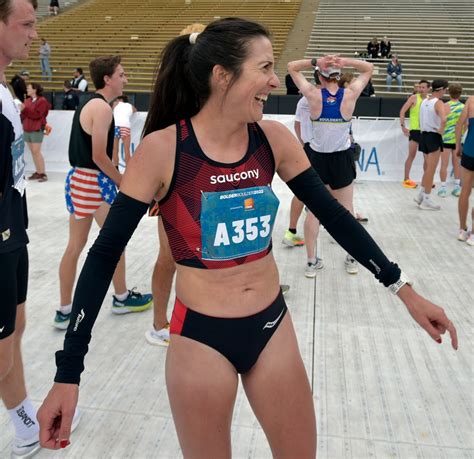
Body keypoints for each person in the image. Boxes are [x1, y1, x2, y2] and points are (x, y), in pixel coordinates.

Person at [37, 18, 458, 457]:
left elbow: (334, 215)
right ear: (222, 76)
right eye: (265, 68)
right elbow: (104, 254)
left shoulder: (272, 140)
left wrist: (404, 289)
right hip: (199, 336)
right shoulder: (164, 150)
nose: (275, 80)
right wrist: (69, 372)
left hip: (270, 327)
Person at [1, 1, 81, 457]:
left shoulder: (7, 93)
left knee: (14, 330)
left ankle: (23, 419)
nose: (35, 33)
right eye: (27, 24)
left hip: (13, 229)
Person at [52, 55, 152, 331]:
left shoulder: (89, 102)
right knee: (114, 241)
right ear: (107, 79)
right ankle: (120, 298)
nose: (126, 79)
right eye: (121, 74)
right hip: (94, 182)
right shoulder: (103, 109)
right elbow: (99, 155)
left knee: (75, 246)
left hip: (79, 180)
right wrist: (122, 180)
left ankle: (64, 309)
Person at [287, 56, 373, 277]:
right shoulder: (350, 94)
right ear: (338, 76)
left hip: (317, 158)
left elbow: (291, 67)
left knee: (314, 213)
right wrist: (343, 61)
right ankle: (352, 258)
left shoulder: (313, 96)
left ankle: (310, 262)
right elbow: (368, 68)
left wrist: (318, 60)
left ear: (320, 76)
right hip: (341, 158)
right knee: (347, 210)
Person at [415, 79, 448, 210]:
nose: (445, 92)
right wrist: (441, 130)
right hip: (433, 136)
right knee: (431, 170)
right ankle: (426, 199)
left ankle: (421, 195)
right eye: (445, 89)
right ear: (441, 90)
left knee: (428, 168)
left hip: (424, 136)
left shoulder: (424, 101)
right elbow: (444, 119)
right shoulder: (438, 102)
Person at [399, 79, 431, 188]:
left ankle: (426, 180)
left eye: (423, 87)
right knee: (411, 155)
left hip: (426, 131)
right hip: (415, 131)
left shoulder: (429, 100)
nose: (421, 89)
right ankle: (406, 179)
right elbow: (402, 111)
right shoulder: (413, 98)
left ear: (428, 89)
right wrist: (403, 126)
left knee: (427, 157)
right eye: (420, 87)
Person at [21, 82, 50, 182]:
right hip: (27, 129)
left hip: (36, 129)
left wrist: (24, 110)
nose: (27, 90)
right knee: (33, 152)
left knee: (36, 151)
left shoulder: (42, 101)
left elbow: (37, 115)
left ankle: (42, 173)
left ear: (35, 89)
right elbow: (24, 115)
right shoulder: (27, 100)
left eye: (29, 88)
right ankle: (38, 172)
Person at [454, 96, 474, 245]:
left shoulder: (471, 100)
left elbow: (459, 124)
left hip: (469, 150)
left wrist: (458, 146)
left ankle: (462, 229)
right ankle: (473, 233)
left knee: (465, 191)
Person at [438, 83, 464, 198]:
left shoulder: (444, 106)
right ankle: (457, 187)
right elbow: (466, 124)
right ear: (460, 93)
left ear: (449, 93)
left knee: (443, 164)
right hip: (458, 139)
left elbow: (441, 121)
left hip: (446, 138)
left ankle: (443, 188)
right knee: (457, 164)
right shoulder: (463, 107)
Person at [112, 95, 136, 167]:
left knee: (115, 149)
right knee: (126, 150)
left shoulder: (115, 104)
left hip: (116, 126)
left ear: (120, 99)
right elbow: (135, 110)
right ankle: (128, 168)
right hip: (125, 126)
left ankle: (116, 167)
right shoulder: (130, 106)